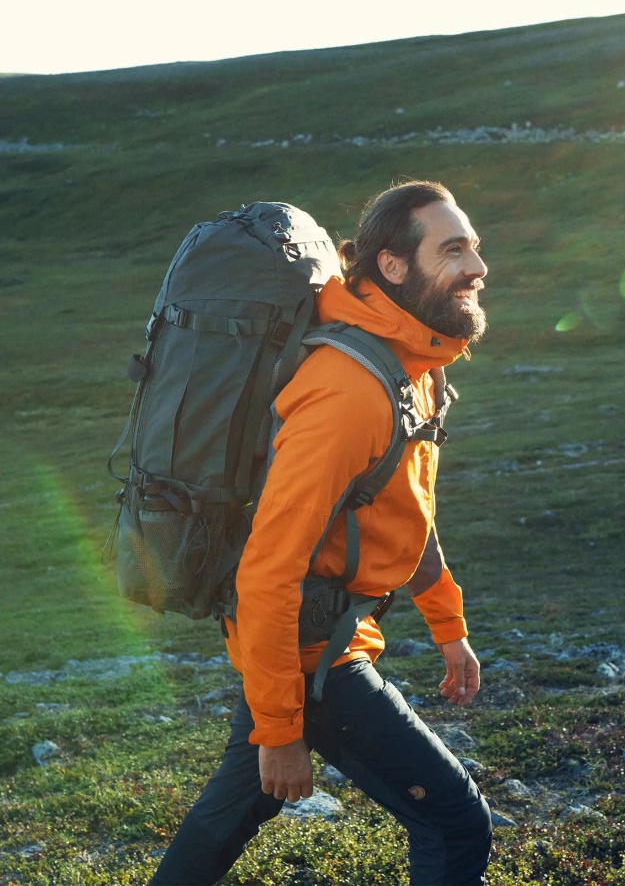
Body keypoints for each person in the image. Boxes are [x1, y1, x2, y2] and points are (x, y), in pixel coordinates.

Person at [150, 180, 493, 886]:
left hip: (309, 642)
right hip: (315, 657)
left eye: (475, 248)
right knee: (454, 823)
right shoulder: (347, 390)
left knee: (229, 815)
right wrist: (281, 729)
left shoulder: (413, 364)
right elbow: (268, 569)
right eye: (452, 248)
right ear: (392, 267)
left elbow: (404, 511)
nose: (476, 267)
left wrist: (446, 622)